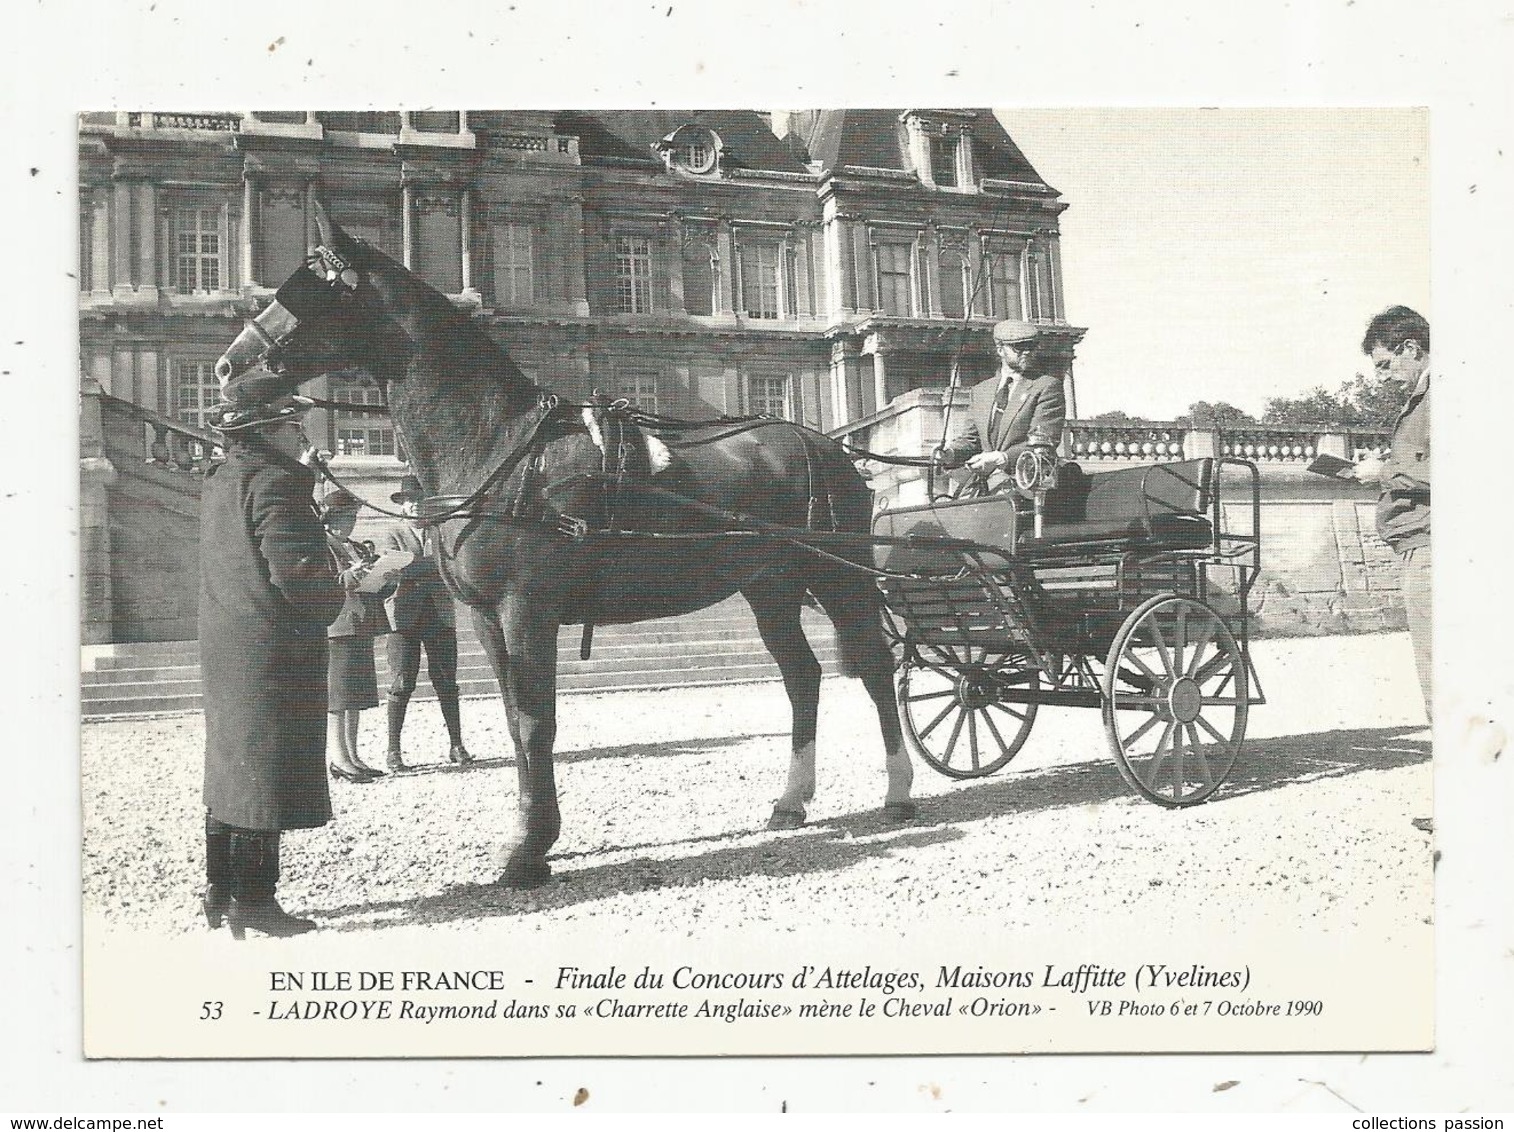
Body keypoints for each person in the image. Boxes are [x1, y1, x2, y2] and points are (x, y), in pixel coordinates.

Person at [199, 368, 346, 939]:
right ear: (269, 430)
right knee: (265, 774)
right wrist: (349, 584)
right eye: (294, 426)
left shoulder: (221, 478)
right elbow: (302, 579)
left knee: (231, 769)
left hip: (231, 644)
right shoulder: (276, 483)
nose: (303, 437)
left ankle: (219, 890)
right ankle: (256, 904)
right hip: (272, 652)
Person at [1354, 305, 1432, 722]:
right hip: (1422, 543)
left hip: (1432, 545)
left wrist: (1383, 472)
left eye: (1385, 364)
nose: (1381, 377)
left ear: (1411, 348)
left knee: (1439, 667)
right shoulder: (1423, 399)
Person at [383, 474, 472, 771]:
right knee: (401, 683)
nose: (415, 507)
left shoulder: (441, 532)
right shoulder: (393, 532)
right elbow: (395, 567)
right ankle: (393, 751)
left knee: (447, 682)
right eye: (409, 502)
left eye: (419, 501)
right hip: (403, 618)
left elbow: (450, 567)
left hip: (439, 614)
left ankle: (457, 745)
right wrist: (430, 567)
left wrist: (412, 567)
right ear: (402, 506)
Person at [935, 318, 1067, 491]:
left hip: (1027, 485)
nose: (1027, 352)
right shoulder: (980, 391)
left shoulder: (1047, 386)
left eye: (1032, 346)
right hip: (985, 487)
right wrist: (949, 454)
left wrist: (1002, 458)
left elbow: (1043, 443)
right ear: (1000, 350)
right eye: (1019, 347)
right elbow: (971, 440)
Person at [319, 489, 388, 784]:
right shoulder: (322, 546)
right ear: (332, 519)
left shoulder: (357, 547)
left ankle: (354, 757)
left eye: (354, 517)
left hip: (361, 624)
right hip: (338, 626)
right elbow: (325, 584)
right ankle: (338, 758)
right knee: (338, 697)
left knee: (356, 696)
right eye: (348, 518)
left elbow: (373, 590)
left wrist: (386, 580)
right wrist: (352, 575)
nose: (352, 524)